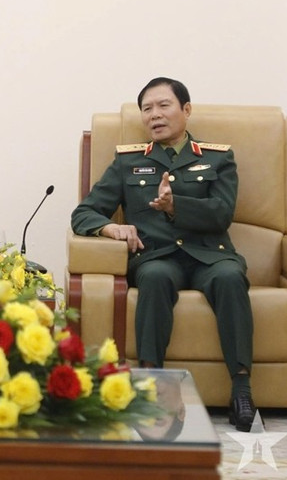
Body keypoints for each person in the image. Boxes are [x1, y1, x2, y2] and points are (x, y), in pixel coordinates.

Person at [71, 77, 258, 432]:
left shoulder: (218, 158)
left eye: (163, 106)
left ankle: (242, 389)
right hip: (157, 257)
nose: (154, 115)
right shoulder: (128, 162)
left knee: (231, 278)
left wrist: (176, 207)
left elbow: (222, 213)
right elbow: (84, 213)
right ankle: (152, 385)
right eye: (147, 109)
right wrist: (111, 228)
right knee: (154, 278)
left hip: (210, 255)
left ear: (186, 110)